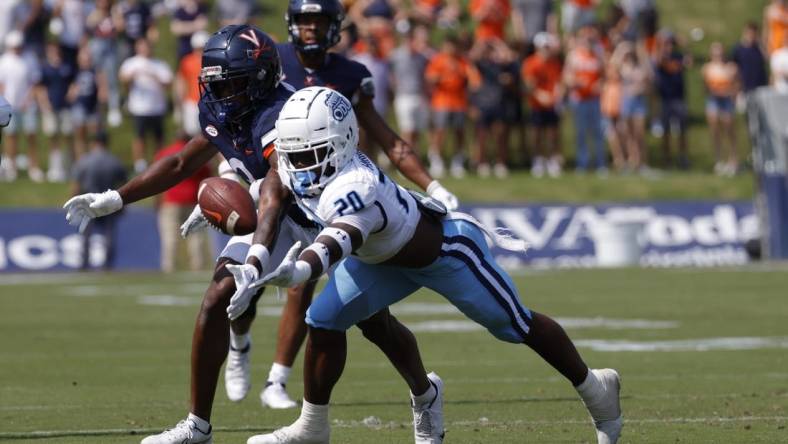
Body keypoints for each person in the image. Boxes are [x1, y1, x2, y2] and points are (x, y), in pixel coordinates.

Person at [63, 24, 438, 444]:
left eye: (230, 84)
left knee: (374, 324)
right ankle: (197, 425)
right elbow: (181, 164)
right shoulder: (226, 109)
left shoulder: (278, 115)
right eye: (214, 85)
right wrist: (115, 198)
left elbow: (276, 196)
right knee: (216, 297)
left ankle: (425, 393)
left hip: (326, 217)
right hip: (276, 216)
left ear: (258, 79)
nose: (218, 96)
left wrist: (257, 255)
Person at [232, 86, 623, 444]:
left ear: (342, 143)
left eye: (308, 155)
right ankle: (314, 426)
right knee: (323, 319)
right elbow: (270, 201)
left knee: (514, 324)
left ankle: (595, 388)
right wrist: (251, 264)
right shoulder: (297, 165)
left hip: (443, 252)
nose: (298, 165)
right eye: (292, 153)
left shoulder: (355, 185)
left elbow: (336, 241)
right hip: (378, 261)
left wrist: (300, 271)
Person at [230, 0, 460, 411]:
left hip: (329, 196)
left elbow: (389, 140)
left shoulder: (352, 74)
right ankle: (239, 341)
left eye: (319, 21)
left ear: (335, 26)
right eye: (304, 21)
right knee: (244, 286)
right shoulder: (274, 60)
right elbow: (241, 114)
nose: (312, 29)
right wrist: (233, 169)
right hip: (272, 186)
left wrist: (434, 186)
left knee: (332, 295)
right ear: (291, 25)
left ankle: (277, 380)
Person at [155, 132, 212, 273]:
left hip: (171, 201)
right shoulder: (198, 154)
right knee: (196, 238)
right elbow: (208, 178)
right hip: (194, 201)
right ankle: (198, 267)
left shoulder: (164, 153)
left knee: (170, 238)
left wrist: (157, 202)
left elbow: (156, 179)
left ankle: (169, 267)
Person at [70, 131, 127, 269]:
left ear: (94, 143)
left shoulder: (85, 160)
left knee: (86, 235)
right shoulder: (115, 161)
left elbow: (76, 184)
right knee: (109, 235)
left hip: (89, 202)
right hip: (108, 202)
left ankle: (84, 263)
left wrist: (74, 202)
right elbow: (123, 184)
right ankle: (108, 264)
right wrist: (123, 205)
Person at [119, 37, 174, 174]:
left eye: (147, 46)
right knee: (139, 137)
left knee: (159, 137)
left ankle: (159, 162)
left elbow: (168, 83)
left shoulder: (159, 64)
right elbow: (123, 80)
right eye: (142, 46)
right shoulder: (131, 63)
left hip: (157, 107)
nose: (145, 49)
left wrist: (154, 76)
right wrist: (131, 77)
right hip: (139, 107)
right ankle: (140, 164)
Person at [425, 34, 474, 178]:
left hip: (459, 102)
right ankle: (436, 160)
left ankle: (457, 161)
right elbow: (430, 78)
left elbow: (471, 78)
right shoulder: (438, 60)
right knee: (440, 132)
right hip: (442, 101)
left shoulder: (462, 61)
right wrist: (445, 77)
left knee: (459, 132)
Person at [0, 30, 43, 183]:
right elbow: (1, 85)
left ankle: (34, 168)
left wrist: (28, 99)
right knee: (11, 137)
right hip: (9, 105)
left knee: (31, 136)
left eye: (19, 45)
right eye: (14, 46)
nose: (17, 48)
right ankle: (11, 168)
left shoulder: (30, 58)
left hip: (28, 104)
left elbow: (34, 82)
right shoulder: (4, 61)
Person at [563, 25, 606, 173]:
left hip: (594, 99)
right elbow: (567, 76)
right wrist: (575, 83)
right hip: (579, 99)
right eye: (585, 38)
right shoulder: (574, 55)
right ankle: (582, 163)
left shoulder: (598, 55)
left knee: (598, 132)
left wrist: (599, 85)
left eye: (591, 38)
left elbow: (605, 75)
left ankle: (600, 164)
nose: (588, 41)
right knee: (581, 133)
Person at [522, 32, 563, 177]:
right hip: (536, 103)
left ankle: (552, 160)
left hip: (551, 103)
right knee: (537, 133)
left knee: (553, 134)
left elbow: (558, 82)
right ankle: (538, 160)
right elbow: (529, 85)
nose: (546, 50)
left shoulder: (554, 63)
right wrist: (540, 95)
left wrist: (557, 95)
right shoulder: (530, 63)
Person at [702, 42, 740, 176]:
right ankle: (719, 159)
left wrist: (730, 95)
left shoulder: (731, 68)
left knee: (729, 129)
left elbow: (736, 86)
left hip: (726, 100)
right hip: (714, 100)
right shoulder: (707, 68)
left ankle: (733, 159)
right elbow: (705, 87)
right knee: (715, 129)